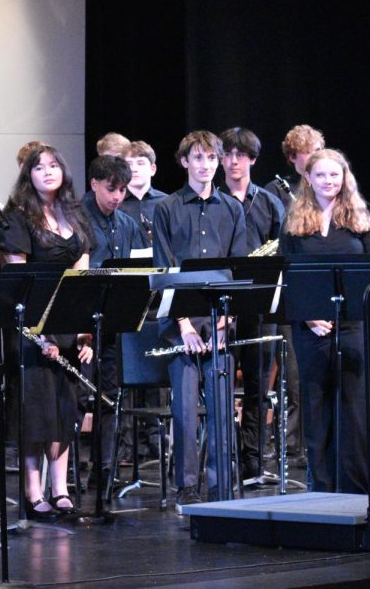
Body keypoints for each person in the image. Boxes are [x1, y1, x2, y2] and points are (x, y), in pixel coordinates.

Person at [152, 130, 249, 505]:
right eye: (198, 158)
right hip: (182, 324)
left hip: (220, 320)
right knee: (186, 409)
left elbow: (237, 271)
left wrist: (225, 323)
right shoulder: (167, 208)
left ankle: (222, 484)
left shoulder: (232, 209)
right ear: (184, 162)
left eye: (212, 159)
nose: (206, 165)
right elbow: (165, 269)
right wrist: (185, 326)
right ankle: (187, 487)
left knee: (223, 408)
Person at [1, 144, 93, 520]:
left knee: (63, 409)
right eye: (40, 168)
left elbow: (82, 274)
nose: (48, 172)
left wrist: (84, 331)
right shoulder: (17, 218)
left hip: (67, 322)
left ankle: (61, 488)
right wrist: (40, 336)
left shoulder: (74, 212)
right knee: (36, 411)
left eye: (54, 165)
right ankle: (33, 490)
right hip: (31, 326)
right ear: (29, 175)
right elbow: (16, 280)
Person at [280, 149, 370, 494]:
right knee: (316, 407)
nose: (328, 181)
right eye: (321, 175)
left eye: (334, 175)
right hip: (311, 328)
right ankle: (321, 487)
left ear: (344, 176)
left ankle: (356, 489)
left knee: (353, 409)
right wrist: (308, 315)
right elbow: (286, 277)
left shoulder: (361, 217)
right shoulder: (294, 222)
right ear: (308, 178)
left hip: (352, 326)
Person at [219, 127, 286, 482]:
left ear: (253, 160)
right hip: (222, 307)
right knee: (222, 385)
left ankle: (253, 462)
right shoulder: (211, 202)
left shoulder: (270, 202)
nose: (233, 162)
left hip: (260, 305)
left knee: (260, 386)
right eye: (227, 155)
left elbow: (281, 251)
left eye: (240, 155)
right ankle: (222, 460)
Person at [80, 155, 147, 491]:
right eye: (111, 189)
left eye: (122, 190)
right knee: (79, 398)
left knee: (109, 397)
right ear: (94, 184)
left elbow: (139, 269)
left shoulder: (127, 224)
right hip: (80, 324)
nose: (117, 197)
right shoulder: (76, 219)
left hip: (113, 324)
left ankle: (103, 471)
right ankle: (67, 475)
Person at [262, 124, 325, 464]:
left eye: (318, 150)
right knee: (293, 376)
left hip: (317, 289)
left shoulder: (326, 188)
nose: (315, 158)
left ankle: (315, 442)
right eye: (308, 154)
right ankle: (291, 445)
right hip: (287, 295)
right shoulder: (277, 192)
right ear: (292, 158)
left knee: (314, 374)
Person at [263, 124, 325, 207]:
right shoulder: (275, 189)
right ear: (292, 157)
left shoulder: (330, 184)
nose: (315, 156)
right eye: (307, 152)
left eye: (317, 150)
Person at [120, 140, 167, 239]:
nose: (134, 169)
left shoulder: (166, 202)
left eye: (140, 163)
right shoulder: (115, 203)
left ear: (152, 169)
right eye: (129, 164)